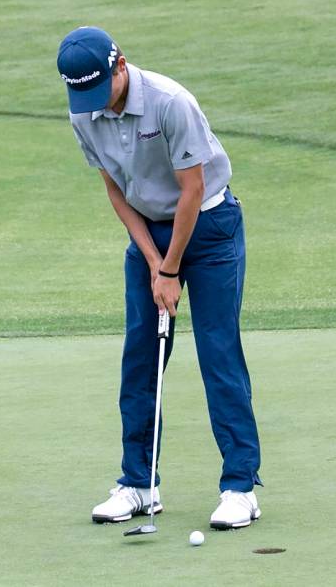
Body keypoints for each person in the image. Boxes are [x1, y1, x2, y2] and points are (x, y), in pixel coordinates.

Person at [57, 26, 262, 530]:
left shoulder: (172, 102)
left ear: (120, 65)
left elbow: (192, 190)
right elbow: (115, 189)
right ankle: (139, 484)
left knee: (219, 354)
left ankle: (240, 487)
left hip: (209, 227)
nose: (95, 103)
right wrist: (153, 261)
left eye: (101, 89)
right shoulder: (83, 109)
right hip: (148, 231)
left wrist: (171, 267)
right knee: (141, 358)